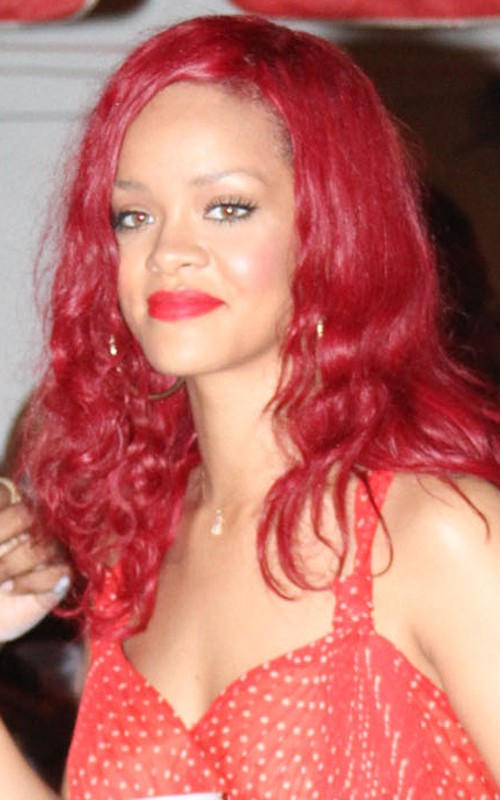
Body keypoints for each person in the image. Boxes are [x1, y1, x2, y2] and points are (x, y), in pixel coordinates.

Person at [1, 13, 500, 799]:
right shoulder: (132, 554)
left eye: (227, 207)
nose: (169, 251)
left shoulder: (440, 534)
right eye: (134, 216)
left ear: (327, 232)